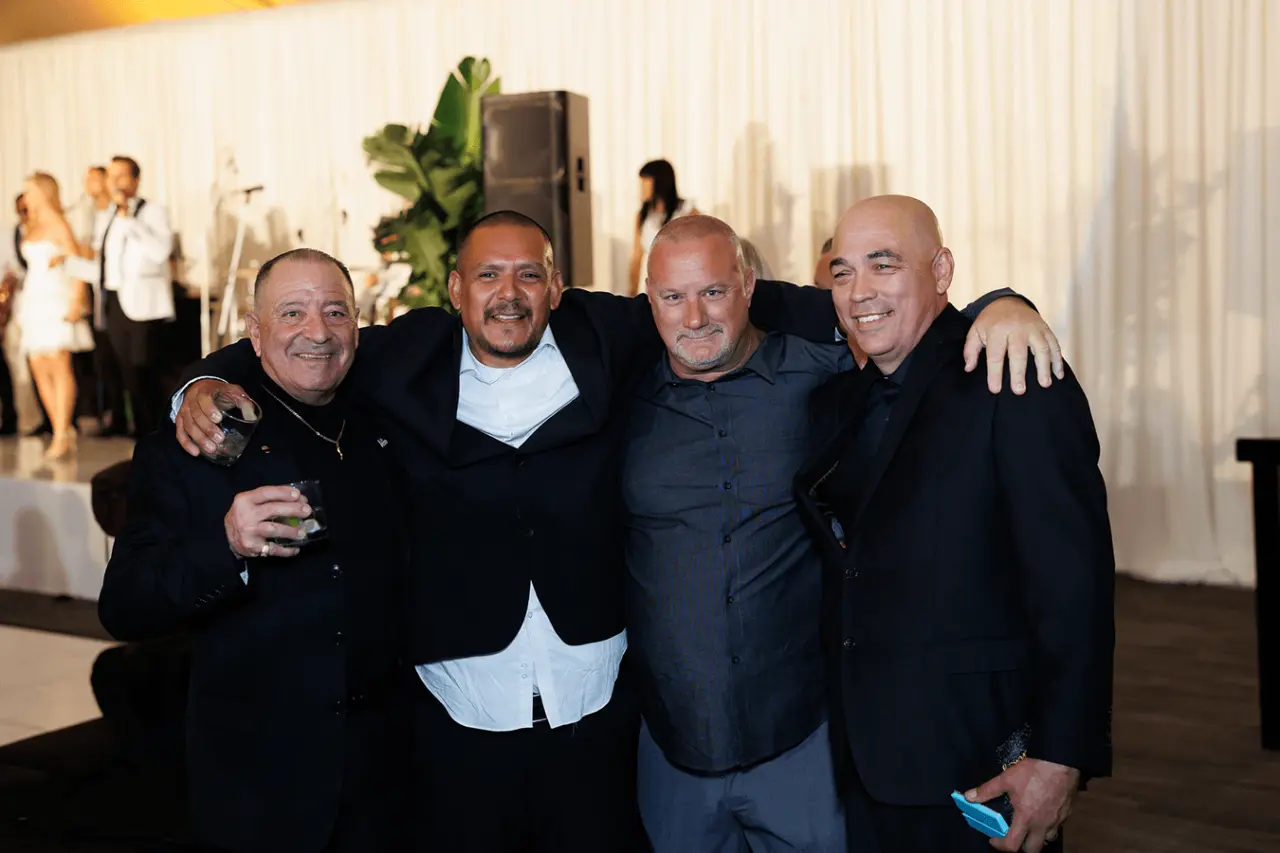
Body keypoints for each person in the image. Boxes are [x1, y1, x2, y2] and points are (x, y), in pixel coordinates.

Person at [171, 211, 1056, 853]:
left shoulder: (615, 332)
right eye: (487, 275)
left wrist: (991, 304)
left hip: (602, 703)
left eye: (529, 274)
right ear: (453, 291)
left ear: (560, 284)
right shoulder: (402, 355)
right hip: (456, 706)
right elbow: (298, 344)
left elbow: (805, 302)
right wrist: (194, 388)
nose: (509, 293)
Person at [622, 215, 1062, 853]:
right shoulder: (620, 398)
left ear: (749, 285)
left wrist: (1002, 305)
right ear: (649, 298)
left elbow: (913, 333)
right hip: (673, 749)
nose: (695, 317)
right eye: (672, 297)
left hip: (804, 741)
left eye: (713, 292)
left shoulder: (827, 377)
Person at [793, 195, 1115, 853]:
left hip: (980, 767)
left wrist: (1059, 756)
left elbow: (1074, 589)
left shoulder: (1013, 375)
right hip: (867, 764)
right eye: (843, 271)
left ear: (941, 270)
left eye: (883, 265)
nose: (859, 292)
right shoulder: (842, 397)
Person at [98, 248, 411, 853]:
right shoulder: (202, 436)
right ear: (253, 331)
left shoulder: (382, 419)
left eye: (335, 312)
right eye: (291, 313)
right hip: (261, 784)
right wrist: (227, 545)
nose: (317, 333)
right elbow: (124, 605)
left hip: (386, 776)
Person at [64, 155, 174, 437]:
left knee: (145, 372)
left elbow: (159, 253)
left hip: (143, 306)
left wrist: (128, 219)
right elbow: (106, 267)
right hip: (113, 301)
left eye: (121, 176)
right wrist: (70, 263)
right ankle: (137, 429)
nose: (114, 183)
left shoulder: (153, 212)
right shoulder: (107, 216)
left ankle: (156, 432)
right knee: (126, 372)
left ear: (135, 180)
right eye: (111, 177)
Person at [14, 173, 94, 459]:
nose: (26, 196)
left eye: (30, 191)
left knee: (59, 363)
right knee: (38, 364)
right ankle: (60, 427)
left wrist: (77, 299)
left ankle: (62, 431)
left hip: (56, 296)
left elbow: (76, 263)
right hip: (35, 298)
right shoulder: (30, 225)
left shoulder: (60, 223)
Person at [630, 159, 698, 295]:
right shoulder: (642, 215)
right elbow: (637, 256)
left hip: (679, 283)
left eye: (645, 182)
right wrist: (632, 291)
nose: (641, 188)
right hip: (649, 283)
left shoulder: (687, 212)